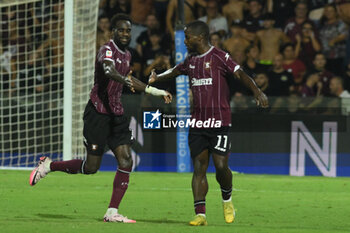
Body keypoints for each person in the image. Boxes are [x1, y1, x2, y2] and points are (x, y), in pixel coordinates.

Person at [29, 14, 172, 223]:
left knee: (126, 159)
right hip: (97, 113)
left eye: (128, 30)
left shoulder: (128, 55)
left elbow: (129, 79)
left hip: (117, 114)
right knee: (91, 168)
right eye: (121, 30)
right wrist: (125, 80)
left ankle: (112, 212)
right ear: (113, 31)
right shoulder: (106, 49)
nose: (125, 34)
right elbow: (108, 70)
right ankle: (49, 165)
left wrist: (155, 91)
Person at [148, 20, 268, 226]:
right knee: (199, 167)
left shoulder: (220, 57)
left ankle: (227, 199)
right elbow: (176, 71)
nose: (185, 41)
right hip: (198, 123)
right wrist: (156, 78)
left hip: (219, 121)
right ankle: (200, 214)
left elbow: (240, 73)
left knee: (221, 166)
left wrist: (256, 90)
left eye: (188, 37)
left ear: (200, 37)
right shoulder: (191, 60)